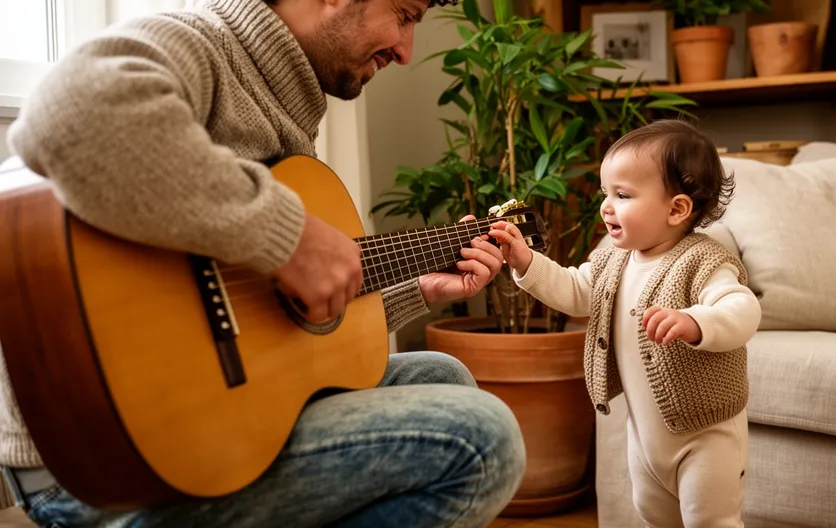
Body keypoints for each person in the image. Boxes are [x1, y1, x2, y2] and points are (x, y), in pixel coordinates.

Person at [0, 0, 527, 526]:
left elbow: (273, 335)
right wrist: (289, 235)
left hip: (197, 421)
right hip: (103, 463)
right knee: (482, 439)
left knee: (442, 376)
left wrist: (419, 290)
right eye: (405, 15)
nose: (408, 50)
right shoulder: (200, 40)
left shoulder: (288, 107)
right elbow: (73, 117)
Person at [489, 119, 762, 528]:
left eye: (623, 195)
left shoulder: (703, 260)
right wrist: (525, 261)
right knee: (653, 515)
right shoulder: (611, 259)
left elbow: (742, 310)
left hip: (705, 434)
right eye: (605, 193)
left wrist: (694, 321)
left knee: (712, 520)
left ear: (677, 209)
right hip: (646, 436)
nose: (606, 206)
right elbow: (575, 289)